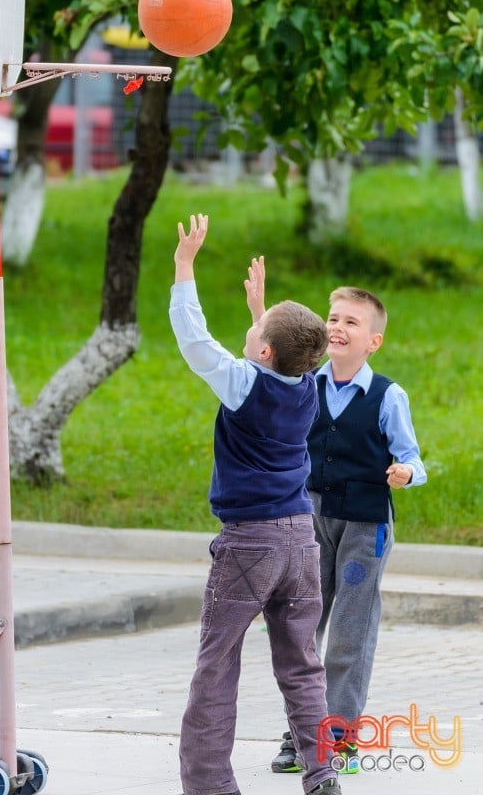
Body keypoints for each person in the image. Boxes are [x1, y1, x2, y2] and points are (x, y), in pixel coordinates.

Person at [170, 214, 341, 795]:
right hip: (301, 538)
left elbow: (197, 343)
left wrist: (184, 268)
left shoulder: (245, 382)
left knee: (216, 666)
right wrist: (261, 315)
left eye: (257, 335)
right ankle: (321, 771)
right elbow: (281, 362)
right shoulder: (309, 384)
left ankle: (210, 784)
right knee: (302, 666)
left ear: (262, 349)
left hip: (250, 543)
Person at [263, 280, 427, 776]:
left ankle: (339, 738)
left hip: (364, 526)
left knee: (351, 634)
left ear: (372, 341)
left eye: (350, 322)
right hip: (307, 518)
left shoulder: (386, 395)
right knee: (300, 626)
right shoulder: (303, 383)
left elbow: (411, 457)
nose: (337, 327)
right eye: (333, 319)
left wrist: (405, 472)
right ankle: (298, 734)